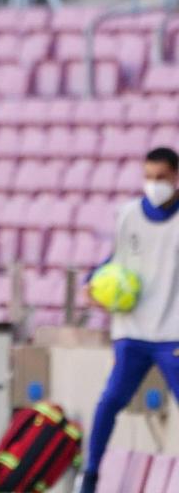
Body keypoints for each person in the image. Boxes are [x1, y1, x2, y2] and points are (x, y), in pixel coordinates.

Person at [79, 147, 179, 493]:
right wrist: (92, 282)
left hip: (172, 333)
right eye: (149, 177)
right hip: (132, 331)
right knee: (110, 401)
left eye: (161, 178)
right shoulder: (128, 215)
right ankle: (89, 475)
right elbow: (113, 262)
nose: (154, 185)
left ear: (176, 178)